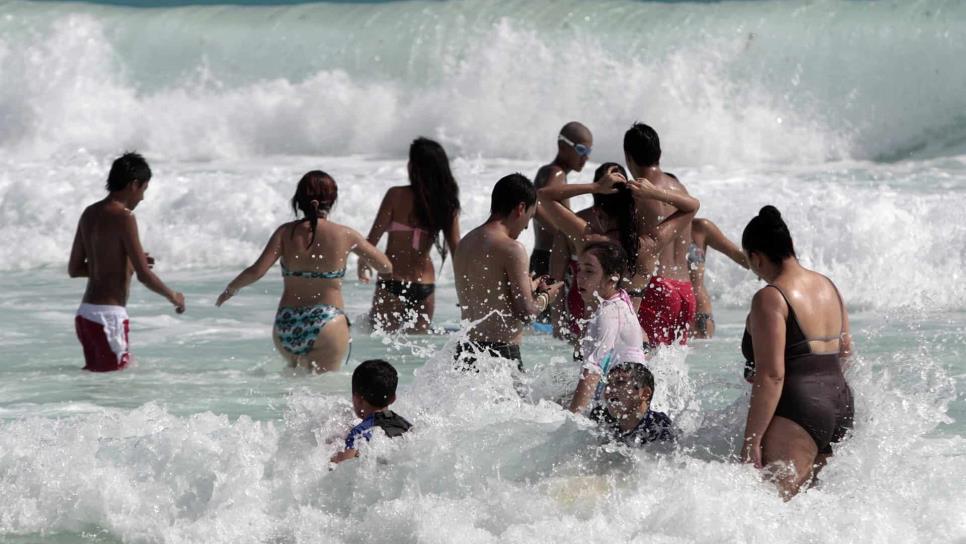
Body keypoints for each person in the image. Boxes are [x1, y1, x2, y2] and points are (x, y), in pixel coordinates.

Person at [216, 171, 392, 372]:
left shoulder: (285, 232)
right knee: (326, 391)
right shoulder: (345, 234)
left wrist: (231, 289)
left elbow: (256, 270)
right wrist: (362, 257)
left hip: (286, 323)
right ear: (332, 200)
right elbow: (386, 266)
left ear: (299, 200)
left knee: (293, 388)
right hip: (328, 322)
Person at [739, 205, 854, 499]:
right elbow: (846, 350)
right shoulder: (829, 286)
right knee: (816, 512)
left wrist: (751, 441)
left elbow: (773, 374)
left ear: (757, 257)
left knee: (776, 509)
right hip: (839, 402)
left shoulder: (771, 297)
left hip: (798, 407)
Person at [537, 162, 699, 347]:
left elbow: (543, 195)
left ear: (598, 213)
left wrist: (595, 187)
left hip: (596, 340)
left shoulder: (590, 241)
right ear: (634, 209)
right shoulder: (648, 245)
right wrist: (654, 193)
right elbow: (692, 206)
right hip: (633, 344)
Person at [68, 152, 185, 372]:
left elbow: (75, 269)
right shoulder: (124, 216)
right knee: (115, 385)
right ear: (134, 185)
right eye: (144, 190)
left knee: (99, 384)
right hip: (109, 318)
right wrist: (174, 297)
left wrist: (126, 264)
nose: (142, 198)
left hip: (85, 316)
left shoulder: (89, 213)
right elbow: (144, 275)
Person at [453, 173, 564, 371]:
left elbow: (488, 296)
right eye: (529, 217)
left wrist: (529, 289)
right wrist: (547, 297)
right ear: (521, 208)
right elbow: (527, 313)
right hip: (500, 354)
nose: (527, 226)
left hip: (465, 351)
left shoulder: (465, 243)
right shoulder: (512, 248)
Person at [359, 138, 461, 333]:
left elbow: (372, 240)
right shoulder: (446, 204)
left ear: (413, 166)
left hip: (392, 281)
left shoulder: (395, 196)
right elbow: (457, 249)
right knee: (416, 351)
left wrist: (362, 263)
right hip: (425, 285)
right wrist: (467, 288)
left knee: (384, 346)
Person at [624, 123, 699, 345]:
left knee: (642, 366)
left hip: (655, 288)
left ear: (628, 157)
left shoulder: (637, 193)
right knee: (672, 369)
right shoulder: (678, 188)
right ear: (659, 154)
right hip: (685, 290)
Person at [565, 242, 648, 413]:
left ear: (612, 278)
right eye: (579, 269)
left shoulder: (608, 313)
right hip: (628, 403)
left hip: (622, 410)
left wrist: (570, 418)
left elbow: (592, 371)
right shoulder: (621, 300)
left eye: (589, 271)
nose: (580, 277)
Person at [529, 122, 593, 277]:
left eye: (588, 151)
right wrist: (567, 236)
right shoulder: (556, 173)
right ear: (562, 146)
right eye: (580, 149)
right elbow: (536, 207)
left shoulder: (549, 171)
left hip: (542, 255)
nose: (585, 157)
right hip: (550, 258)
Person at [331, 359, 412, 464]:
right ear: (393, 398)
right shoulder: (406, 426)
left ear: (358, 399)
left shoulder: (359, 432)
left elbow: (345, 468)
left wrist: (332, 457)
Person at [688, 218, 749, 338]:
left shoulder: (700, 227)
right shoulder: (653, 227)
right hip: (664, 309)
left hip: (699, 312)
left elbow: (737, 255)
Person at [589, 362, 676, 447]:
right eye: (608, 383)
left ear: (645, 394)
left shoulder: (660, 429)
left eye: (620, 382)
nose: (608, 389)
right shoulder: (600, 418)